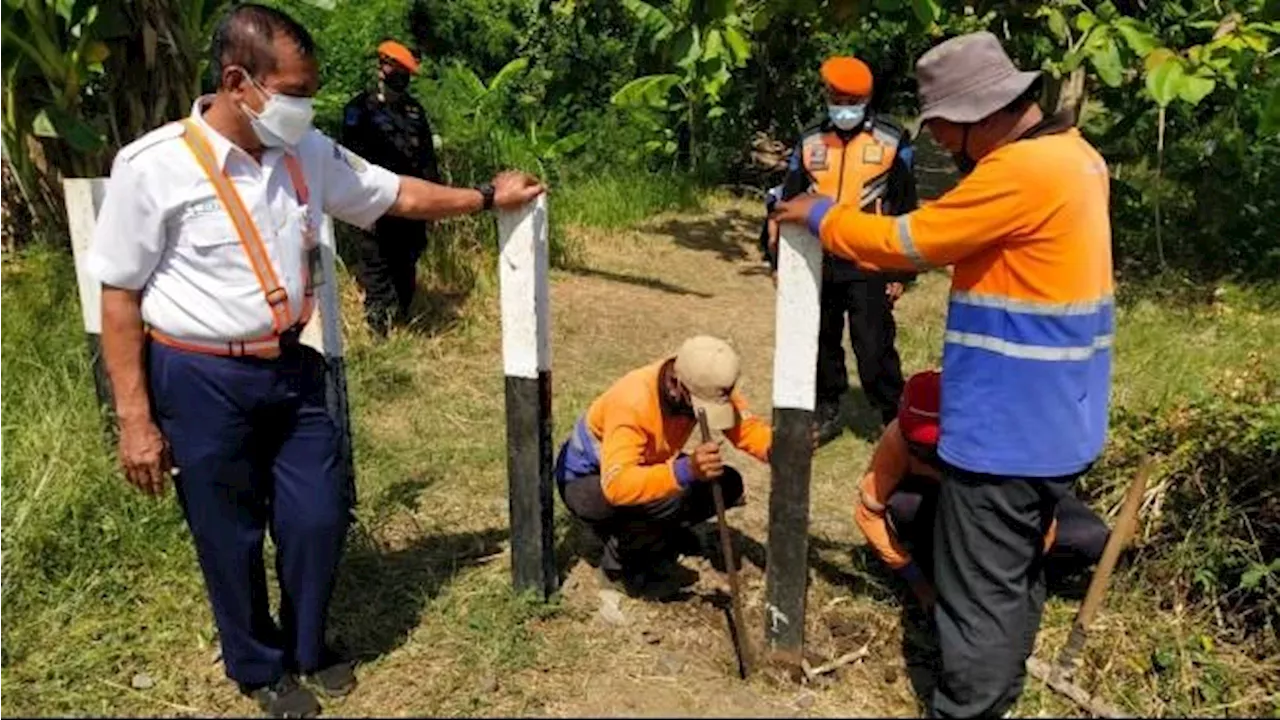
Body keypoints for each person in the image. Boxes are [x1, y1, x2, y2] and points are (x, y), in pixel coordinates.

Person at [88, 5, 543, 717]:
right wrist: (134, 419)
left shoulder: (308, 153)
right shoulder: (154, 167)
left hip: (291, 366)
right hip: (199, 375)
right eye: (294, 91)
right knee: (227, 530)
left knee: (318, 513)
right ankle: (259, 667)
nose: (305, 106)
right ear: (239, 82)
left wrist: (487, 198)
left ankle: (308, 644)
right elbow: (119, 297)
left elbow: (396, 194)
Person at [773, 31, 1114, 718]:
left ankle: (970, 706)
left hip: (1006, 430)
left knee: (979, 592)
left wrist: (819, 214)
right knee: (1012, 571)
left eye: (947, 132)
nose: (944, 146)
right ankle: (1001, 684)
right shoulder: (1078, 158)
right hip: (1061, 415)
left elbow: (909, 240)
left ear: (976, 115)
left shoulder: (1019, 173)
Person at [856, 370, 1110, 612]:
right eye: (917, 448)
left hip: (1009, 505)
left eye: (935, 449)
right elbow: (868, 513)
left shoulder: (1004, 438)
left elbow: (1045, 519)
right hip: (948, 508)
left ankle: (1028, 579)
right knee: (904, 505)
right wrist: (916, 579)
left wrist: (1015, 577)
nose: (924, 456)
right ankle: (940, 567)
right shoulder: (897, 439)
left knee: (1090, 537)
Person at [761, 55, 918, 445]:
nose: (842, 105)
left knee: (873, 342)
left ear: (865, 97)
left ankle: (891, 417)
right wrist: (777, 258)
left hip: (870, 256)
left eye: (849, 98)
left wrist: (900, 273)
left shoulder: (891, 139)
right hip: (820, 257)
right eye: (835, 96)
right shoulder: (811, 138)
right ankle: (827, 408)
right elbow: (788, 198)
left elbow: (905, 205)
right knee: (822, 338)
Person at [554, 336, 772, 598]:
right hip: (588, 482)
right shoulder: (633, 402)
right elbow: (617, 486)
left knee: (727, 483)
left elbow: (744, 428)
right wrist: (685, 471)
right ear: (678, 386)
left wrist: (777, 450)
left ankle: (661, 536)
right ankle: (619, 569)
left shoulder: (704, 381)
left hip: (643, 468)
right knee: (672, 493)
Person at [340, 39, 441, 336]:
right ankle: (379, 333)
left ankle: (405, 319)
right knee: (377, 265)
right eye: (394, 68)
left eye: (405, 72)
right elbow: (350, 161)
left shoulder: (414, 111)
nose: (400, 76)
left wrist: (433, 203)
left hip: (411, 203)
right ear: (381, 68)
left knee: (407, 261)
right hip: (375, 202)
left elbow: (426, 158)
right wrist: (356, 206)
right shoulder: (359, 110)